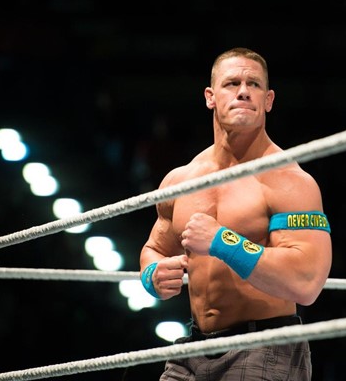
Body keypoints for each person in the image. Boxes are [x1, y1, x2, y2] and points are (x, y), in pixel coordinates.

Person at [137, 47, 332, 380]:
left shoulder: (289, 182)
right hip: (193, 347)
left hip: (264, 345)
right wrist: (153, 276)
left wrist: (222, 241)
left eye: (253, 84)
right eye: (232, 83)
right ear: (210, 97)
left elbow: (306, 282)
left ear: (268, 100)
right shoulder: (181, 180)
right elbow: (154, 249)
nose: (243, 91)